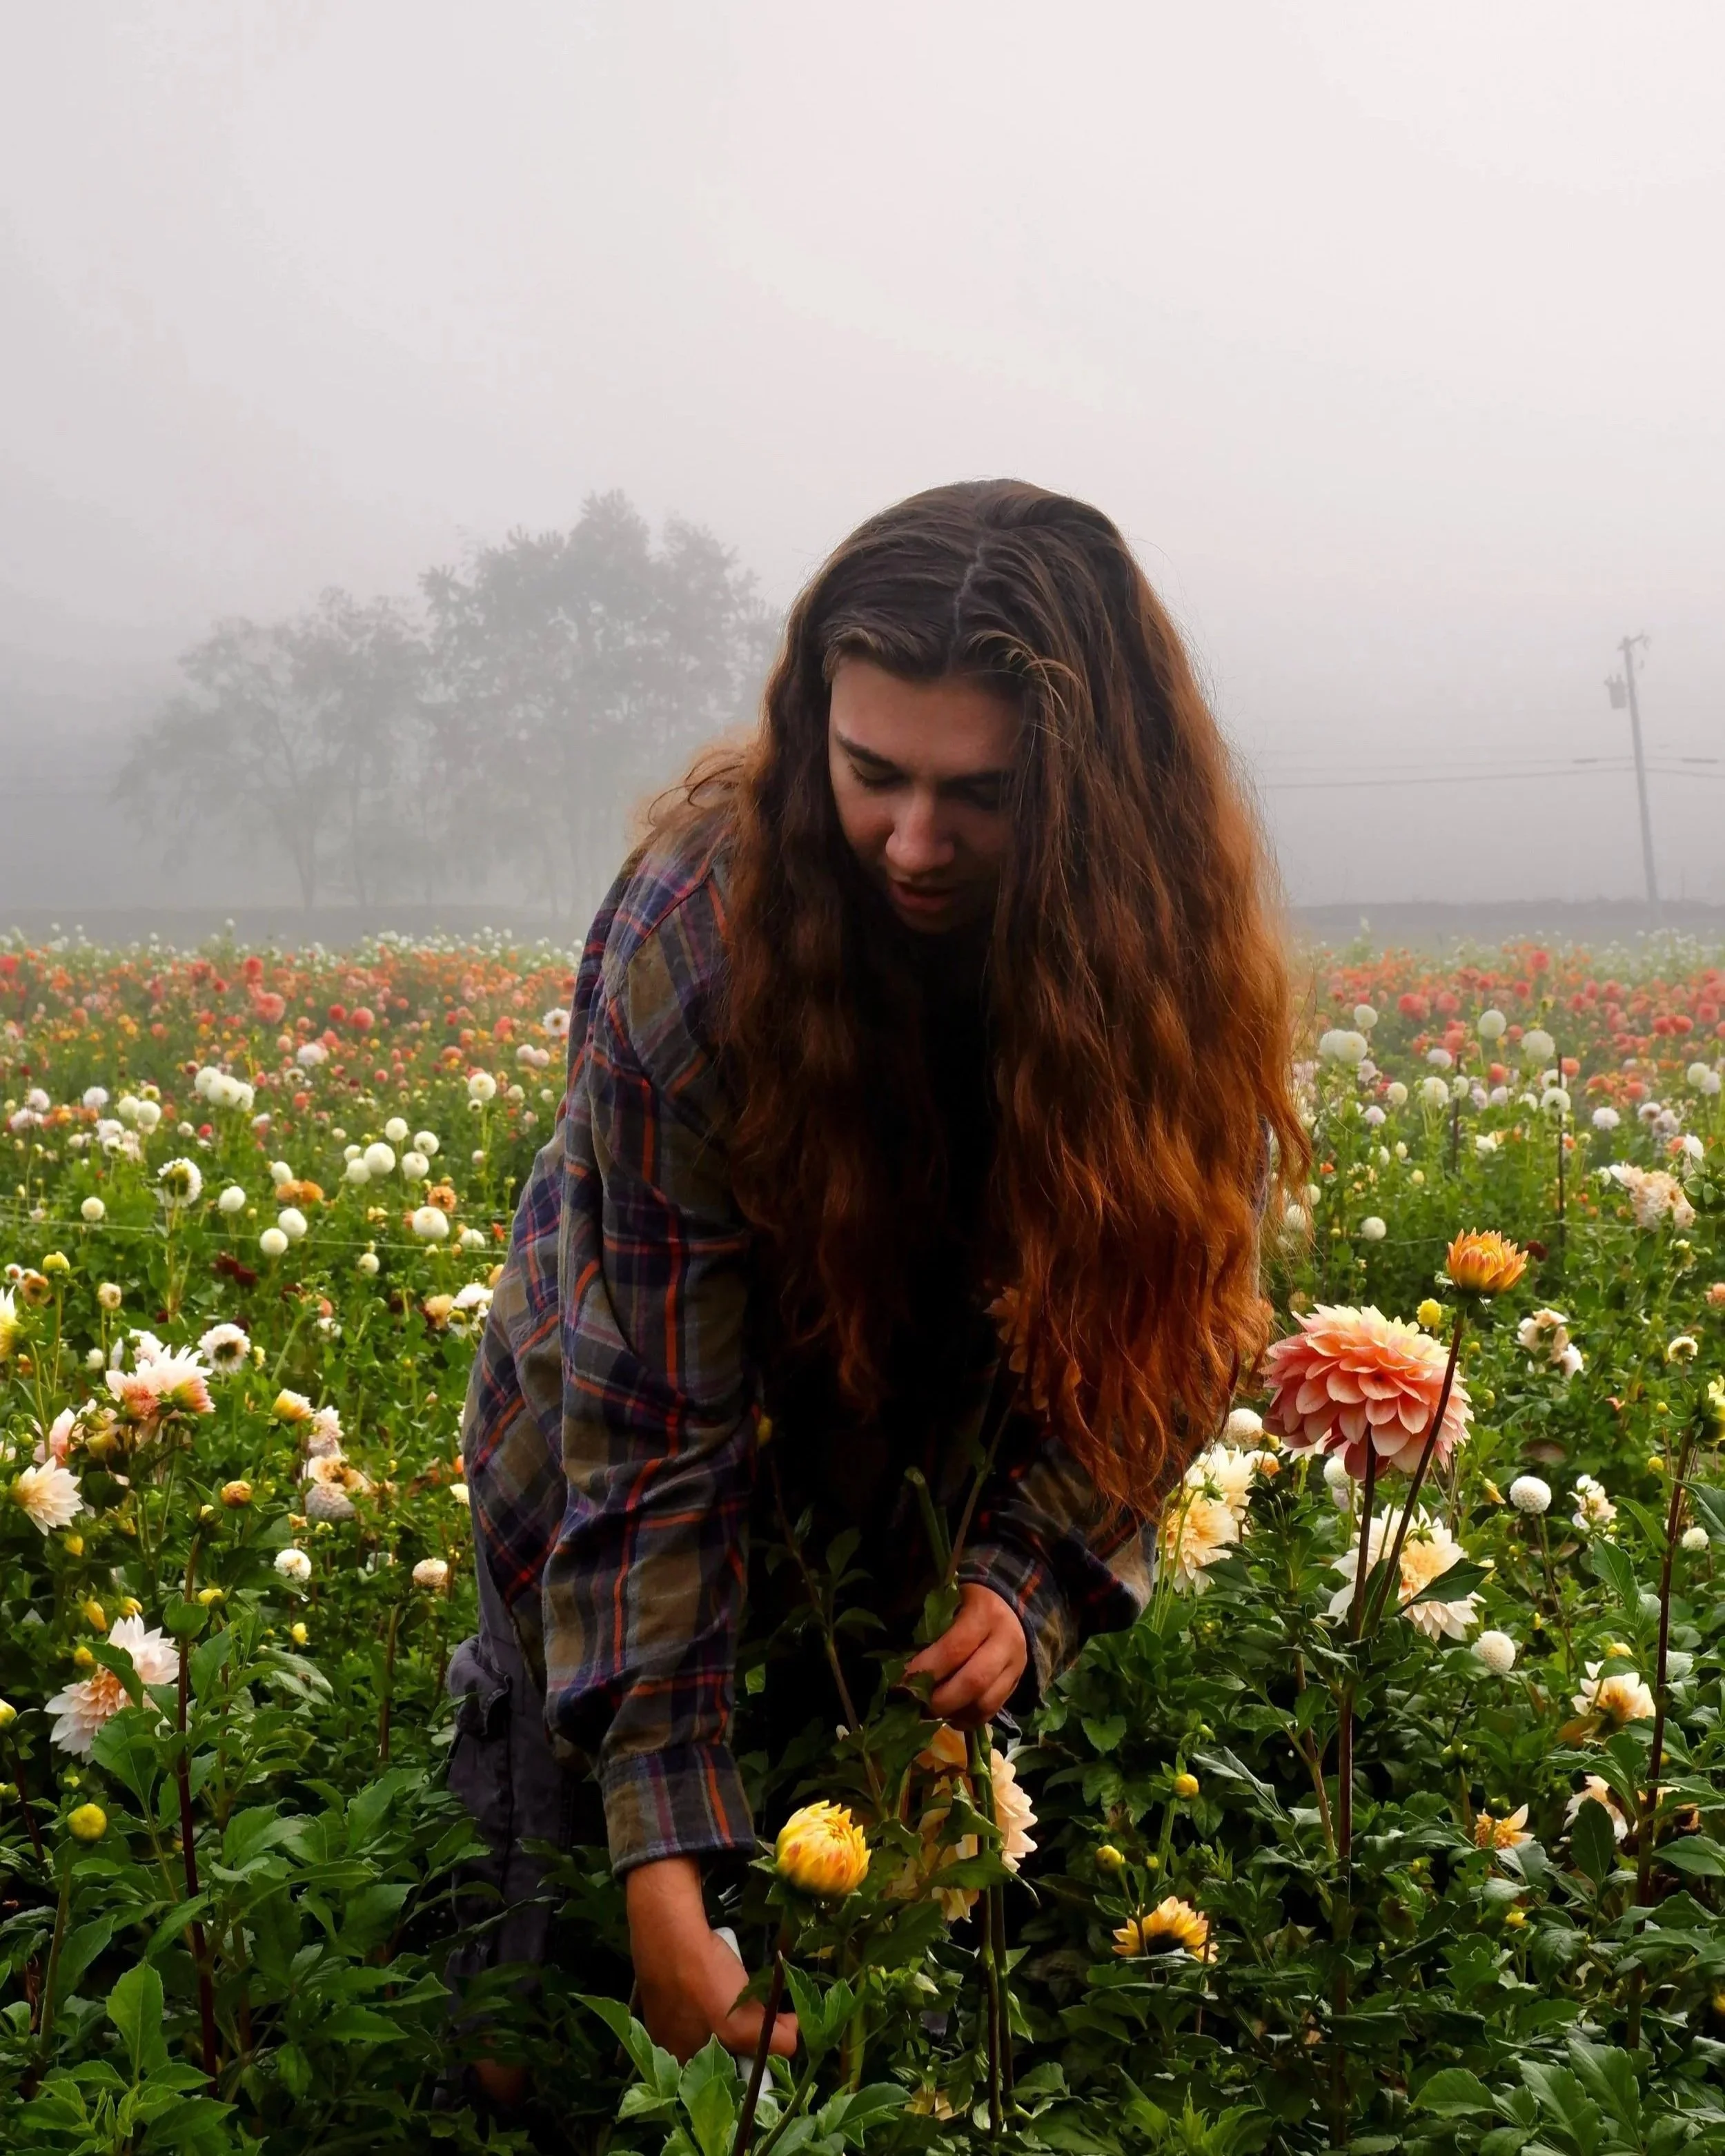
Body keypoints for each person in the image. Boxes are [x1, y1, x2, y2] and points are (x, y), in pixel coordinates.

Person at [445, 478, 1305, 2097]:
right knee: (554, 2003)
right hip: (603, 1502)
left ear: (1091, 792)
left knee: (864, 2024)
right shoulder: (697, 943)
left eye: (977, 794)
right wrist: (656, 1844)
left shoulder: (1155, 967)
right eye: (870, 775)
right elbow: (647, 1426)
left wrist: (1021, 1575)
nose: (913, 841)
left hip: (910, 1520)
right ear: (809, 730)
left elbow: (1179, 1325)